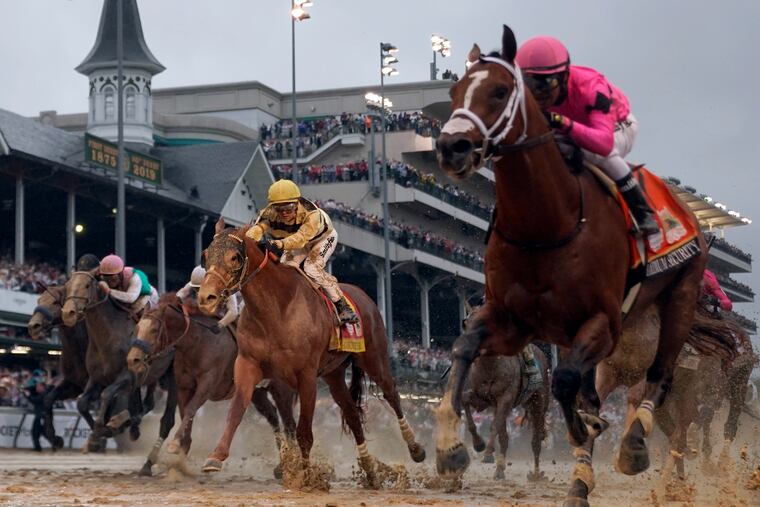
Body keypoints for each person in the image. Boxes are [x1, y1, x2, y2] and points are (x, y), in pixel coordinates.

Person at [515, 36, 659, 236]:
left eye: (546, 84)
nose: (538, 93)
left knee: (593, 152)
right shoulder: (527, 91)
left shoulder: (591, 88)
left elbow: (604, 144)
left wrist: (562, 122)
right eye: (530, 83)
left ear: (564, 77)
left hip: (617, 126)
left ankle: (642, 212)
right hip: (572, 126)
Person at [245, 179, 359, 324]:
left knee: (311, 268)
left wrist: (277, 244)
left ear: (297, 203)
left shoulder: (312, 214)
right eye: (279, 209)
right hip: (296, 240)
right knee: (284, 268)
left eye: (289, 207)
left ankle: (343, 306)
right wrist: (247, 240)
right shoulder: (269, 212)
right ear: (272, 207)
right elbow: (258, 228)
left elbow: (300, 239)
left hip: (322, 238)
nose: (284, 213)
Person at [176, 265, 239, 333]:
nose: (199, 292)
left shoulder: (225, 287)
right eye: (196, 289)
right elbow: (184, 291)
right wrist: (177, 299)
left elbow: (233, 312)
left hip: (238, 306)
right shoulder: (197, 281)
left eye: (200, 289)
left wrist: (220, 325)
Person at [23, 376, 54, 452]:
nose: (36, 388)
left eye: (38, 386)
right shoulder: (46, 393)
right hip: (42, 415)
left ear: (42, 387)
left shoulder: (45, 394)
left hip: (42, 416)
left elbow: (35, 400)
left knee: (37, 431)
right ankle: (51, 444)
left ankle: (39, 447)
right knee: (42, 432)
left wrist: (28, 395)